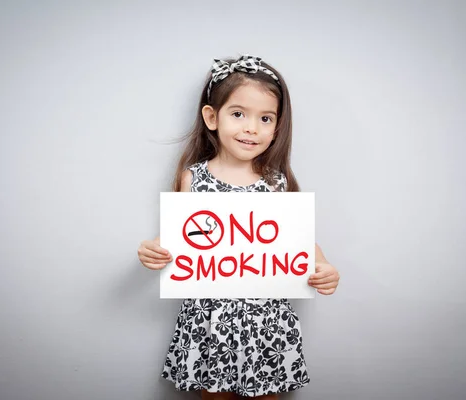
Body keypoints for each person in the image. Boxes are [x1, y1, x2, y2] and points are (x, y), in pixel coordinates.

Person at [137, 55, 340, 399]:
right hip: (210, 320)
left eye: (265, 118)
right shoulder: (194, 178)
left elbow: (299, 242)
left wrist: (323, 266)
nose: (251, 128)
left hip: (267, 321)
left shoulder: (276, 183)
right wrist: (153, 249)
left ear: (277, 126)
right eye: (238, 114)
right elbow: (184, 235)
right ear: (212, 117)